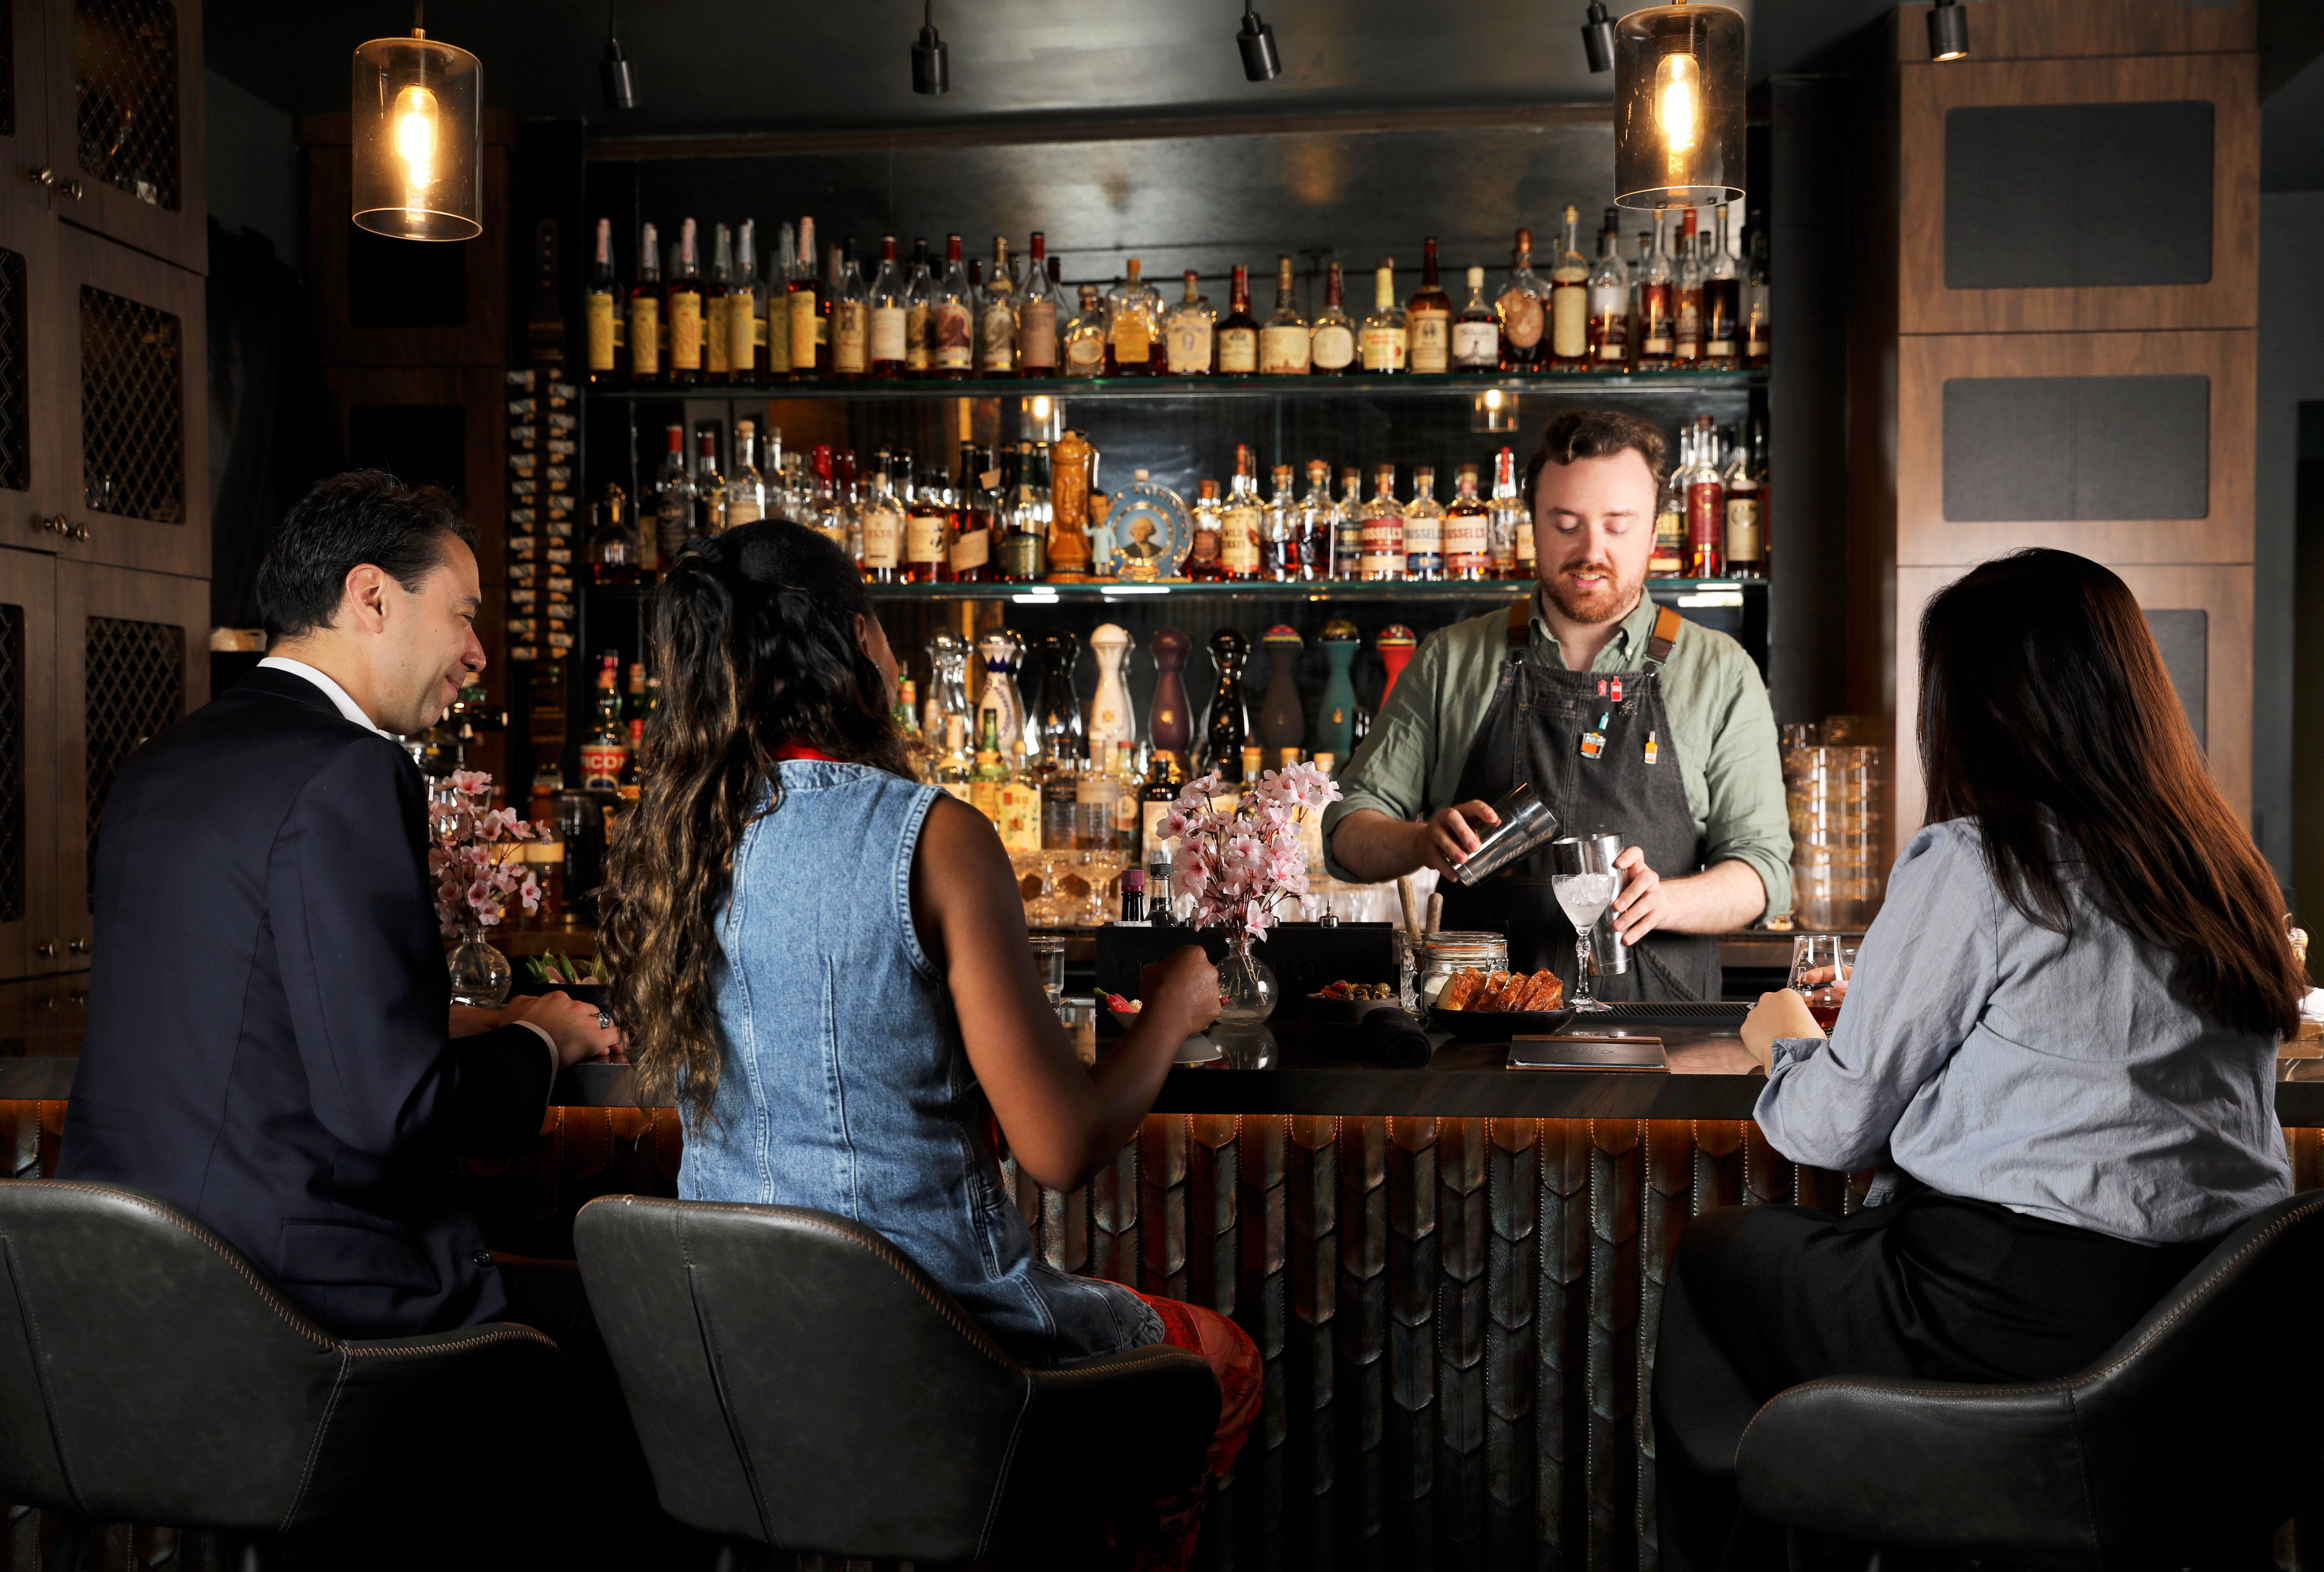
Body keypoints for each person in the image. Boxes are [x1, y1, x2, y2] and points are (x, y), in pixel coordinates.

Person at [599, 521, 1258, 1569]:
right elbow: (1063, 1146)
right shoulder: (930, 835)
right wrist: (1174, 1012)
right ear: (860, 643)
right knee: (1220, 1363)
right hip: (940, 1349)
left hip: (734, 1355)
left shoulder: (670, 839)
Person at [1654, 548, 2304, 1571]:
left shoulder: (1986, 861)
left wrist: (1783, 1041)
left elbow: (1833, 1128)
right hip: (2216, 1335)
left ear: (1979, 708)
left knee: (1716, 1261)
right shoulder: (2226, 873)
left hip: (2006, 1322)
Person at [62, 470, 619, 1340]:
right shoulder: (351, 769)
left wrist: (464, 1021)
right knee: (655, 1351)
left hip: (126, 1298)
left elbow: (250, 1009)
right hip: (300, 1308)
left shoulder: (157, 764)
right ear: (372, 597)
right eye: (466, 614)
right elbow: (393, 1110)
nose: (478, 654)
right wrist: (544, 1038)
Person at [1322, 408, 1790, 1001]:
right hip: (1479, 1030)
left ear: (1654, 534)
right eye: (1566, 523)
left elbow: (1762, 870)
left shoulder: (1719, 673)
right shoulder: (1451, 660)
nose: (1591, 551)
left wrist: (1666, 900)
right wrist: (1419, 841)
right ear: (1533, 527)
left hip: (1662, 1036)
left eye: (1618, 526)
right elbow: (1346, 832)